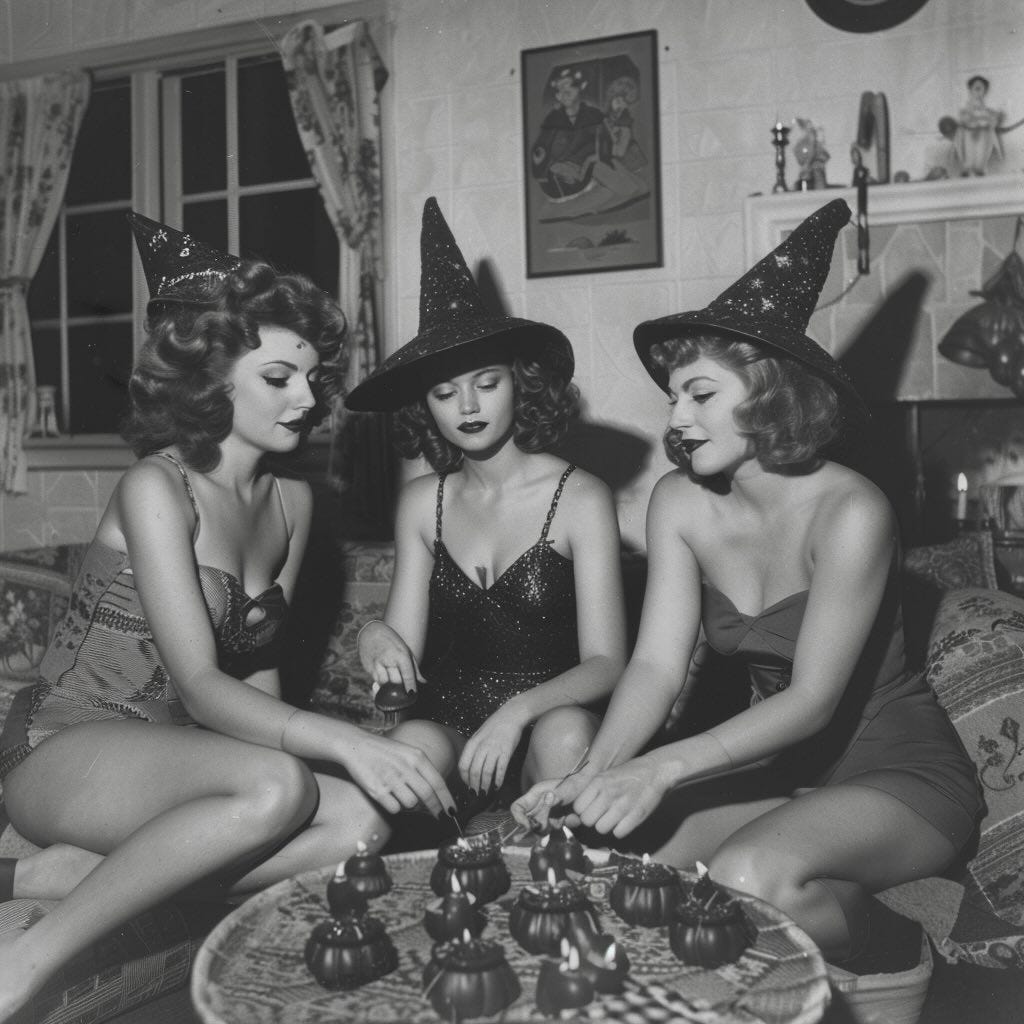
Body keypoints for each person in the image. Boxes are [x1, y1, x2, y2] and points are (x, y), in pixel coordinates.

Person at [0, 213, 456, 1021]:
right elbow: (203, 686)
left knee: (358, 824)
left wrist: (357, 754)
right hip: (64, 744)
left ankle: (67, 875)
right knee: (279, 785)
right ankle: (25, 959)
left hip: (170, 758)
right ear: (210, 380)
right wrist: (347, 742)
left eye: (312, 378)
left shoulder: (293, 501)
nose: (308, 399)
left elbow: (260, 670)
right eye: (279, 377)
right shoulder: (156, 486)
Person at [513, 199, 982, 969]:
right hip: (780, 771)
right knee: (621, 868)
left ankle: (902, 947)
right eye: (673, 397)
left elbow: (813, 700)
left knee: (744, 877)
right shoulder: (678, 502)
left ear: (770, 394)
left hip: (898, 775)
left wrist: (661, 767)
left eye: (700, 394)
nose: (677, 418)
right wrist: (591, 776)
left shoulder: (852, 511)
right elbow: (655, 667)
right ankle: (817, 905)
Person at [344, 197, 626, 818]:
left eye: (486, 383)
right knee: (408, 748)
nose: (467, 407)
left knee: (567, 735)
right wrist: (374, 635)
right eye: (445, 393)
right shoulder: (421, 503)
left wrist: (516, 713)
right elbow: (402, 644)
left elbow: (607, 662)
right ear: (426, 407)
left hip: (546, 725)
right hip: (447, 724)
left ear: (520, 384)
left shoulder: (581, 498)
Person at [954, 75, 1004, 176]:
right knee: (969, 155)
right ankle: (967, 169)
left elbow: (992, 120)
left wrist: (995, 117)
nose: (978, 92)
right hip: (969, 133)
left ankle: (979, 169)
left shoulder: (986, 108)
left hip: (983, 134)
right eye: (976, 88)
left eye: (981, 89)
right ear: (970, 90)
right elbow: (963, 119)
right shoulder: (966, 107)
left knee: (980, 156)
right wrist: (970, 117)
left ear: (985, 91)